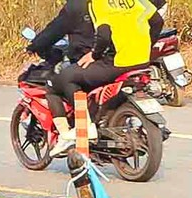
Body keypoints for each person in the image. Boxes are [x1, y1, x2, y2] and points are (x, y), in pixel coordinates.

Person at [30, 0, 159, 156]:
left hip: (117, 64)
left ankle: (79, 130)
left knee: (60, 81)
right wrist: (146, 46)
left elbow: (103, 34)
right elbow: (157, 21)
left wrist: (94, 54)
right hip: (142, 61)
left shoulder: (99, 3)